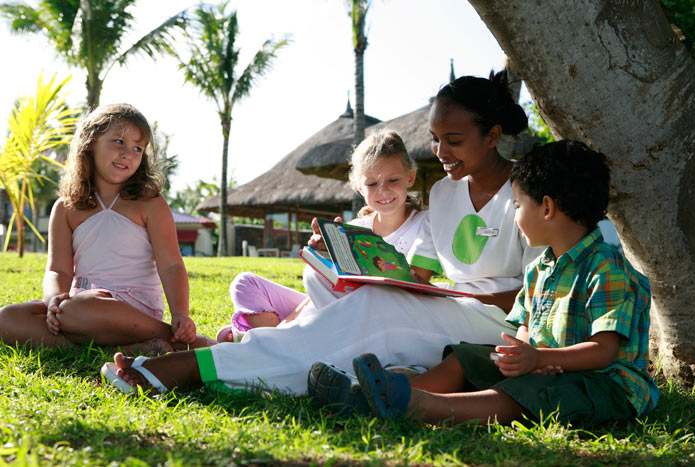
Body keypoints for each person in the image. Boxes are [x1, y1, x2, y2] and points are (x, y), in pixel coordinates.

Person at [101, 70, 540, 397]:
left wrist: (451, 297)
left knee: (371, 311)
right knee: (351, 299)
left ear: (492, 136)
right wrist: (345, 255)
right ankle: (231, 362)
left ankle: (197, 367)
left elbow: (540, 297)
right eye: (435, 138)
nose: (440, 151)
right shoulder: (443, 193)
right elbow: (415, 275)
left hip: (497, 323)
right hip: (447, 309)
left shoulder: (529, 191)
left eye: (453, 139)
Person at [327, 141, 658, 426]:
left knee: (528, 393)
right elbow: (526, 327)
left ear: (546, 208)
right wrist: (520, 354)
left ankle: (420, 407)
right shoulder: (539, 269)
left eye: (517, 205)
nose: (515, 214)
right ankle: (383, 395)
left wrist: (538, 360)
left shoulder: (605, 267)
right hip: (544, 368)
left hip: (604, 385)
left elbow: (604, 351)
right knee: (467, 358)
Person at [0, 103, 210, 353]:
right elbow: (58, 269)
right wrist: (54, 299)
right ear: (90, 143)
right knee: (8, 318)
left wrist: (180, 314)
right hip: (78, 308)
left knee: (78, 310)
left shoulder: (150, 204)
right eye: (119, 142)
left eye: (137, 148)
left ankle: (175, 338)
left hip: (132, 311)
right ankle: (130, 348)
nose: (128, 154)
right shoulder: (65, 208)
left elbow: (172, 265)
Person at [215, 129, 428, 342]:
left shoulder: (424, 225)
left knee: (317, 290)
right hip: (327, 305)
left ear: (410, 177)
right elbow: (325, 289)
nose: (383, 190)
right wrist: (325, 254)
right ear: (359, 187)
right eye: (372, 184)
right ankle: (271, 336)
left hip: (366, 321)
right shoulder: (354, 228)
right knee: (244, 283)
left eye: (393, 180)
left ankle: (258, 339)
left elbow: (415, 286)